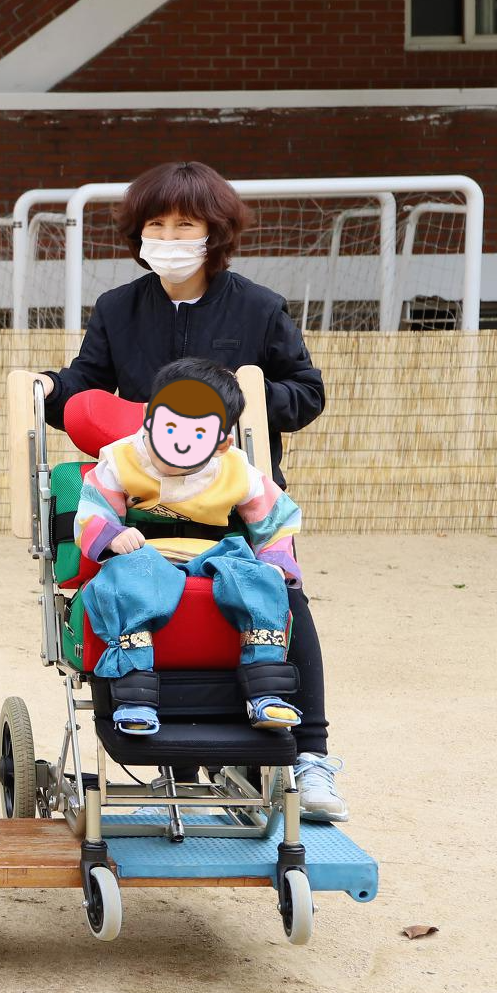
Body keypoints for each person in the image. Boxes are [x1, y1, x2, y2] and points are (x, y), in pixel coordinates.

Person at [32, 159, 347, 820]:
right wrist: (49, 389)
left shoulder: (258, 308)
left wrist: (239, 400)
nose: (170, 238)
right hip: (147, 508)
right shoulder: (119, 309)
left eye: (185, 225)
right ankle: (165, 743)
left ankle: (311, 756)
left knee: (284, 596)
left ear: (215, 234)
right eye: (157, 225)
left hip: (232, 504)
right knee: (141, 594)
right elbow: (85, 385)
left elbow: (307, 392)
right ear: (138, 234)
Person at [73, 358, 303, 736]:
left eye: (197, 434)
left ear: (221, 443)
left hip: (215, 552)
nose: (179, 443)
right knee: (125, 581)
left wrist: (274, 561)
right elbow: (92, 509)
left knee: (260, 580)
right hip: (146, 552)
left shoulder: (236, 469)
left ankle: (265, 689)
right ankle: (134, 692)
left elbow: (277, 517)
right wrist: (112, 534)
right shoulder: (121, 459)